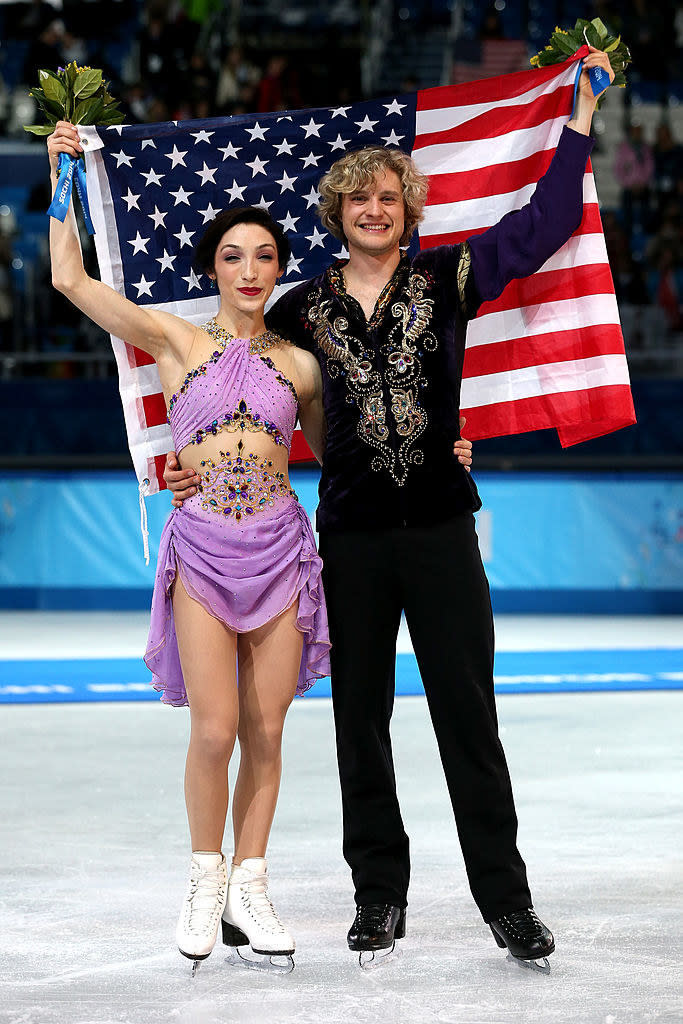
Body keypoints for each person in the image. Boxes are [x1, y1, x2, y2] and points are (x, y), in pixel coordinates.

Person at [166, 47, 614, 968]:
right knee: (357, 725)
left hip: (444, 529)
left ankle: (507, 902)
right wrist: (188, 470)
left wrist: (577, 123)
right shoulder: (296, 308)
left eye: (390, 196)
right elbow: (223, 380)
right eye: (358, 198)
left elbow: (543, 224)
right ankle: (378, 898)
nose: (375, 209)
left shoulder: (450, 278)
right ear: (336, 213)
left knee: (467, 717)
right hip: (350, 539)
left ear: (409, 210)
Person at [47, 122, 332, 971]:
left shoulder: (304, 366)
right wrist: (62, 174)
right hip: (204, 552)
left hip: (282, 551)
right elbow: (69, 277)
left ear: (282, 269)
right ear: (213, 268)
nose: (251, 271)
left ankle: (252, 881)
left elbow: (348, 458)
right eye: (235, 256)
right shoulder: (177, 340)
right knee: (214, 731)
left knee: (266, 731)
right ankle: (206, 877)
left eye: (266, 257)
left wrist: (444, 453)